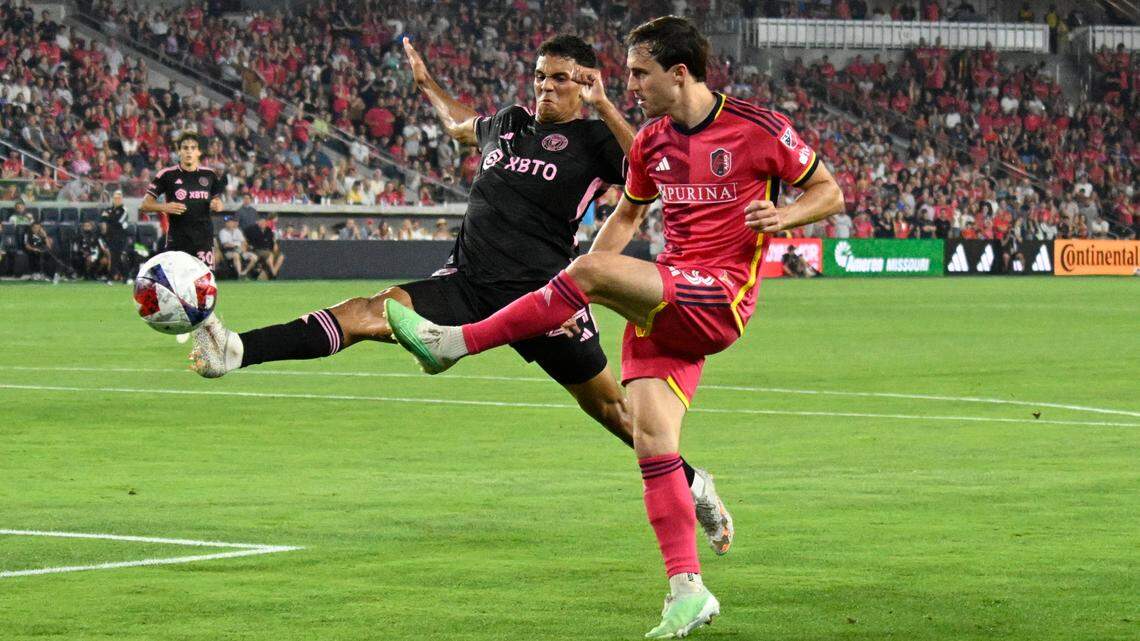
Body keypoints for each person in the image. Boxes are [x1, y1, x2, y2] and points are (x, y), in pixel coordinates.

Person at [385, 16, 844, 638]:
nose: (626, 85)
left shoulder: (757, 128)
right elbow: (628, 214)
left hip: (718, 296)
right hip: (666, 302)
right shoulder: (652, 141)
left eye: (638, 73)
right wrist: (583, 274)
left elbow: (829, 192)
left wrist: (784, 215)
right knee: (652, 445)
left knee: (593, 275)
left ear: (677, 73)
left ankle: (453, 343)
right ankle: (688, 591)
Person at [189, 33, 734, 552]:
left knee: (617, 413)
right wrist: (427, 84)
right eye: (540, 77)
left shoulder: (595, 141)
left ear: (584, 83)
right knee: (360, 313)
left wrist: (607, 105)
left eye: (560, 80)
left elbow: (652, 168)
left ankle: (696, 486)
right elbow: (456, 124)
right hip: (467, 284)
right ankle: (234, 350)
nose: (545, 87)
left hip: (545, 298)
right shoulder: (507, 124)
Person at [138, 132, 226, 270]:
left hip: (203, 239)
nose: (189, 151)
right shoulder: (167, 175)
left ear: (199, 152)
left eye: (193, 148)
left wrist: (218, 205)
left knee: (204, 286)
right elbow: (144, 205)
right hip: (177, 239)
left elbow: (218, 202)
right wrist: (165, 207)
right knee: (176, 286)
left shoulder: (209, 175)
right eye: (185, 148)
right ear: (179, 151)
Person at [100, 189, 130, 282]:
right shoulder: (109, 209)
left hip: (121, 237)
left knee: (122, 257)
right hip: (111, 237)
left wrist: (108, 218)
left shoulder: (124, 210)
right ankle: (110, 278)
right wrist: (108, 218)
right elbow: (102, 218)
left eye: (119, 198)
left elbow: (118, 221)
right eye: (115, 198)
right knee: (113, 258)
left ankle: (126, 277)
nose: (117, 200)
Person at [245, 214, 284, 279]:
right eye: (261, 222)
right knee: (270, 255)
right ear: (258, 222)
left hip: (269, 249)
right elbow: (246, 238)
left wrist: (275, 244)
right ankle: (273, 273)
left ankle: (274, 271)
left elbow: (272, 239)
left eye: (264, 222)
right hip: (258, 250)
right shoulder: (252, 229)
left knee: (281, 256)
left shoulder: (268, 230)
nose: (263, 223)